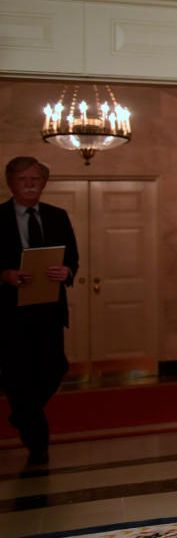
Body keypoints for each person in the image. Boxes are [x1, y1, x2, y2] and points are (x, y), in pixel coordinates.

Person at [0, 156, 79, 465]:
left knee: (54, 369)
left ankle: (22, 413)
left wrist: (67, 272)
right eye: (23, 179)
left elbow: (72, 257)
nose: (30, 184)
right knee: (18, 375)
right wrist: (4, 275)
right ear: (11, 183)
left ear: (44, 183)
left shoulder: (57, 216)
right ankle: (37, 442)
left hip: (48, 309)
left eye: (36, 178)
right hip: (9, 312)